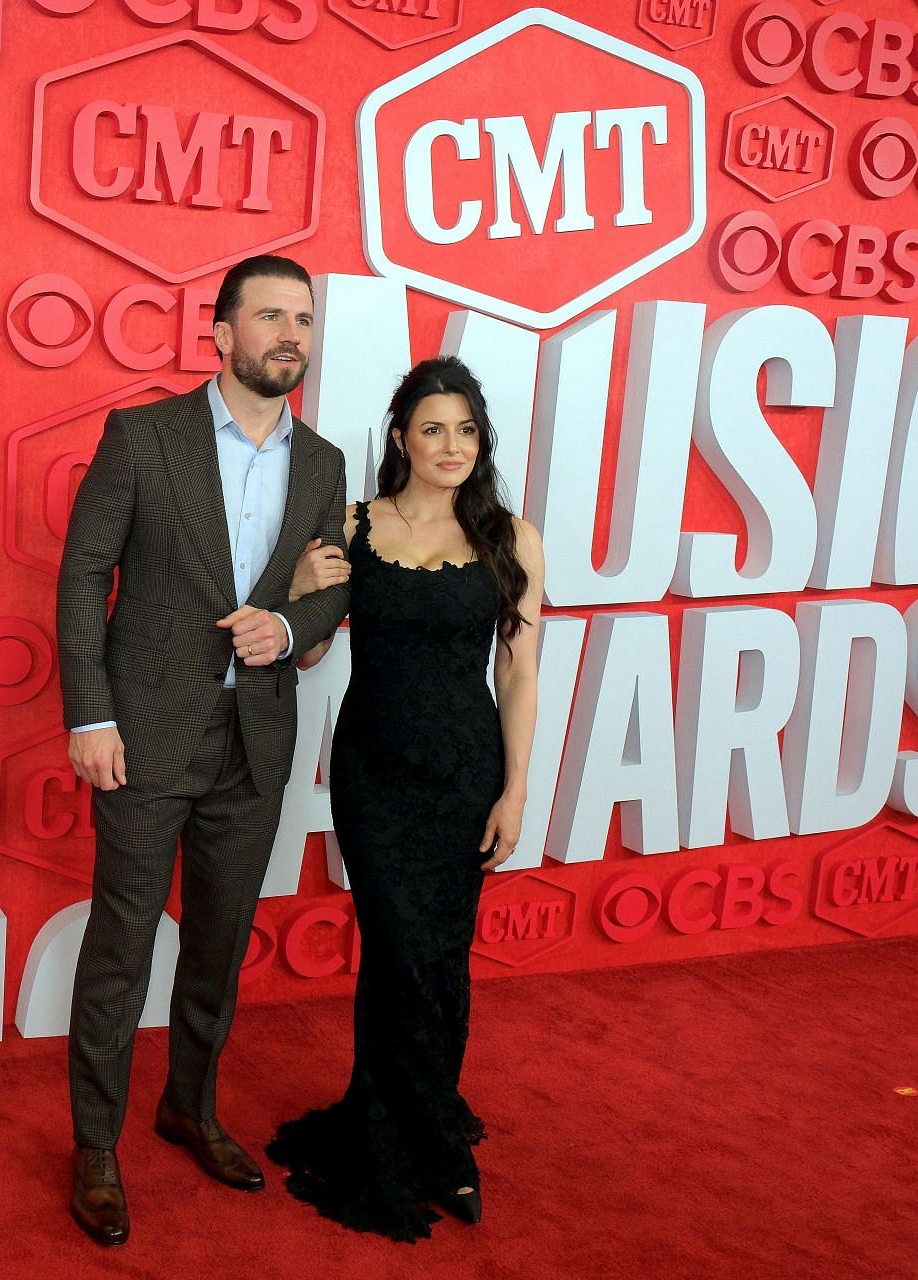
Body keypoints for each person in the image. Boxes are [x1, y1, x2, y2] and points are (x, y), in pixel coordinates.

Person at [55, 255, 354, 1246]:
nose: (290, 334)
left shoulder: (322, 463)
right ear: (220, 334)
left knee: (220, 944)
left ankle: (189, 1105)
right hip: (141, 737)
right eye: (269, 315)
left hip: (253, 740)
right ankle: (95, 1142)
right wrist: (90, 717)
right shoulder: (142, 436)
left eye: (302, 319)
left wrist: (289, 619)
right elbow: (83, 573)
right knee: (121, 945)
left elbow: (327, 588)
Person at [267, 354, 544, 1241]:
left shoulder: (512, 536)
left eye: (466, 429)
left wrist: (515, 789)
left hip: (464, 775)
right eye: (433, 428)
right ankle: (402, 1143)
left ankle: (434, 1136)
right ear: (400, 438)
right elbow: (309, 655)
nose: (452, 444)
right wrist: (305, 593)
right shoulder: (354, 526)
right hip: (374, 772)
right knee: (394, 951)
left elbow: (520, 670)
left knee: (439, 959)